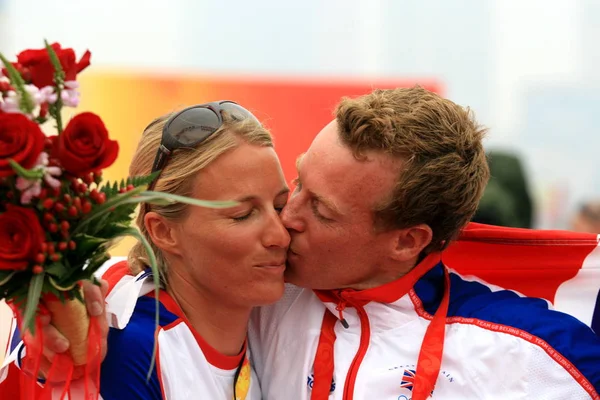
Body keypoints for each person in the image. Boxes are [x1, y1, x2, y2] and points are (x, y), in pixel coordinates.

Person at [9, 87, 600, 398]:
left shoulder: (526, 355)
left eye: (318, 209)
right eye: (295, 184)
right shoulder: (257, 292)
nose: (283, 223)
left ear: (407, 242)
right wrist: (57, 304)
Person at [1, 100, 291, 399]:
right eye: (242, 215)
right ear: (163, 231)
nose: (280, 235)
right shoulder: (135, 352)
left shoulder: (275, 312)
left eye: (281, 206)